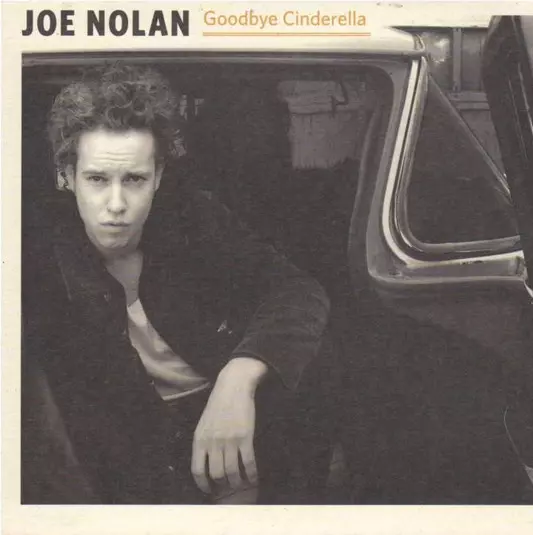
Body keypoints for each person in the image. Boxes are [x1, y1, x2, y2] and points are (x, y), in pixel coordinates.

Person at [21, 62, 331, 504]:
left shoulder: (191, 219)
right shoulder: (35, 258)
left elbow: (296, 290)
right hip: (128, 464)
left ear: (159, 177)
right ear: (65, 177)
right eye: (97, 179)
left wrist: (238, 377)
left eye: (134, 179)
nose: (116, 204)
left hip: (236, 425)